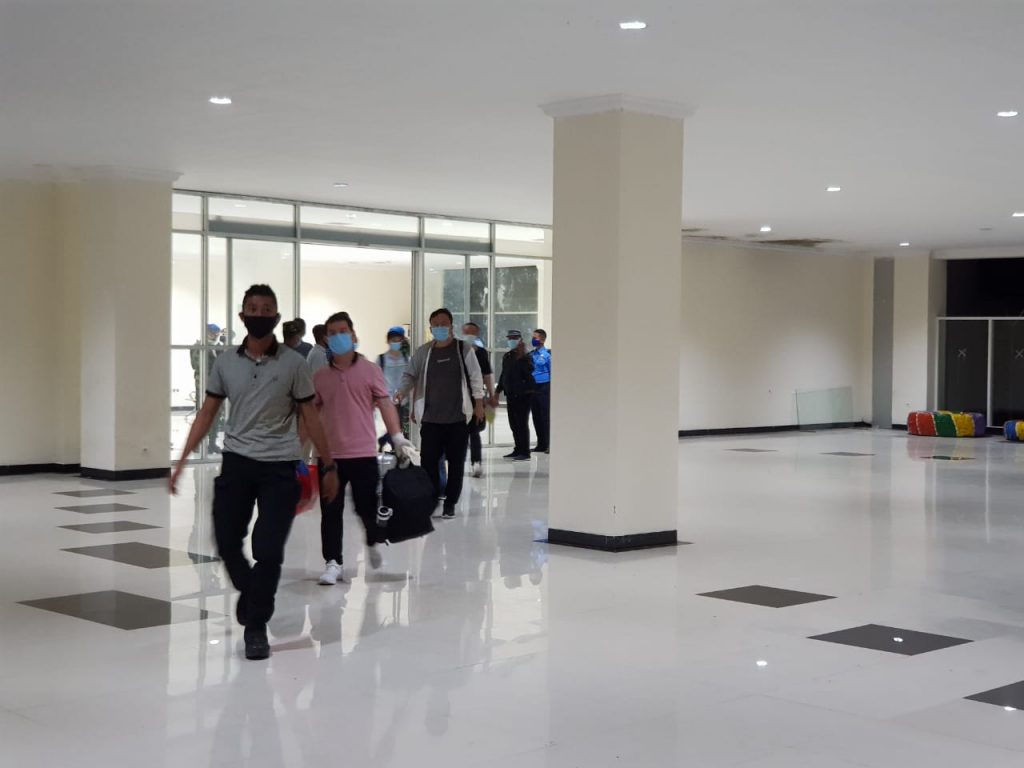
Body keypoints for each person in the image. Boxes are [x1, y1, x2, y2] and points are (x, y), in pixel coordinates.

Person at [169, 284, 340, 661]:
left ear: (276, 317)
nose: (259, 314)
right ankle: (251, 593)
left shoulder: (294, 364)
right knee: (226, 540)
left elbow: (310, 415)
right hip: (237, 461)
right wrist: (180, 460)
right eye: (253, 308)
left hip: (280, 466)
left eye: (266, 309)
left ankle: (256, 626)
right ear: (242, 315)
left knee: (268, 549)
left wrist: (327, 464)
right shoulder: (225, 362)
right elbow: (207, 412)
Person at [310, 312, 414, 586]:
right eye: (332, 333)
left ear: (353, 335)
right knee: (330, 512)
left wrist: (397, 436)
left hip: (363, 453)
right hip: (330, 456)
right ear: (326, 339)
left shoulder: (370, 370)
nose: (338, 337)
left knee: (366, 508)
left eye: (343, 331)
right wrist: (298, 450)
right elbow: (310, 415)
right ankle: (333, 562)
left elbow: (385, 404)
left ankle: (372, 541)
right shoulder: (320, 376)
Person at [398, 308, 485, 519]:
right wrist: (402, 393)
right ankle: (432, 499)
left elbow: (476, 377)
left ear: (451, 325)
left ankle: (450, 503)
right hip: (430, 420)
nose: (439, 327)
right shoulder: (423, 352)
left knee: (456, 464)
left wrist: (479, 404)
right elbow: (410, 375)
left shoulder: (463, 349)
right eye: (435, 325)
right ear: (430, 328)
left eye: (443, 324)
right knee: (428, 463)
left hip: (457, 419)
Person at [461, 322, 497, 478]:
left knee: (474, 431)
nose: (469, 335)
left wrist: (491, 394)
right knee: (458, 433)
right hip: (457, 397)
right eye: (467, 332)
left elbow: (487, 375)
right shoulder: (457, 350)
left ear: (477, 334)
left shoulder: (481, 353)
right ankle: (456, 463)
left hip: (476, 397)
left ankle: (476, 462)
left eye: (472, 333)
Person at [496, 330, 534, 461]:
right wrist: (497, 391)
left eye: (514, 338)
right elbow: (504, 375)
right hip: (511, 395)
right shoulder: (507, 356)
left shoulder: (526, 356)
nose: (511, 340)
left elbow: (529, 372)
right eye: (510, 338)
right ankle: (518, 449)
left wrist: (521, 356)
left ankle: (525, 452)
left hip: (523, 395)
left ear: (520, 340)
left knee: (521, 424)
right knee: (514, 424)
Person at [190, 323, 226, 454]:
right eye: (211, 332)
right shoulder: (198, 346)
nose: (214, 335)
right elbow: (197, 365)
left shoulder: (219, 346)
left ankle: (212, 444)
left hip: (218, 386)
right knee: (202, 415)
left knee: (217, 415)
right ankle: (197, 444)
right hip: (203, 385)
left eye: (216, 333)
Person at [378, 326, 411, 448]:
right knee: (393, 427)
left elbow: (411, 378)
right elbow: (376, 380)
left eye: (398, 340)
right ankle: (393, 448)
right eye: (393, 340)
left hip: (404, 400)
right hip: (388, 400)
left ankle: (388, 442)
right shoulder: (381, 359)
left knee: (403, 429)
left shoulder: (407, 359)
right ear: (388, 341)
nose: (396, 343)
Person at [530, 329, 551, 454]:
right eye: (532, 337)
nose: (533, 340)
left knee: (545, 417)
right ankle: (541, 444)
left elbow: (552, 371)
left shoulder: (547, 355)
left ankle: (549, 444)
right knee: (536, 416)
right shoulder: (531, 354)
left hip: (544, 387)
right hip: (533, 387)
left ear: (542, 339)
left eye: (535, 337)